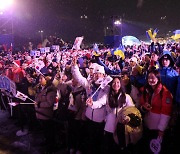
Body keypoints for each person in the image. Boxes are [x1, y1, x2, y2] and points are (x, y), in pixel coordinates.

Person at [71, 57, 109, 154]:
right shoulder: (89, 84)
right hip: (88, 117)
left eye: (99, 74)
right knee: (89, 140)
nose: (97, 75)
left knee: (97, 142)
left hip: (99, 120)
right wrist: (75, 66)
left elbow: (103, 101)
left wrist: (93, 104)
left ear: (104, 75)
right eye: (95, 74)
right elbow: (79, 77)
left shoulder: (107, 88)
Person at [104, 76, 142, 154]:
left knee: (120, 148)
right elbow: (107, 110)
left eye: (118, 82)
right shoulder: (108, 96)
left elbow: (132, 110)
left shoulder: (126, 97)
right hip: (109, 127)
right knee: (109, 148)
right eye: (114, 82)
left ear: (121, 84)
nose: (116, 84)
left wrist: (127, 117)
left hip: (120, 127)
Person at [139, 68, 173, 153]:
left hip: (157, 128)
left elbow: (166, 112)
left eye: (153, 78)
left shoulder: (165, 92)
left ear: (158, 79)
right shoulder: (145, 90)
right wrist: (144, 107)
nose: (151, 80)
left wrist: (161, 129)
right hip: (147, 125)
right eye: (149, 77)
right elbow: (141, 104)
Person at [35, 73, 57, 153]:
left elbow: (49, 103)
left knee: (49, 131)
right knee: (45, 130)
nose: (39, 80)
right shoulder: (40, 88)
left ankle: (52, 146)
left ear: (46, 80)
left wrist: (39, 104)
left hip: (46, 114)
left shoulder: (50, 90)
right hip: (40, 113)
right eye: (39, 79)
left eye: (41, 79)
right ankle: (47, 142)